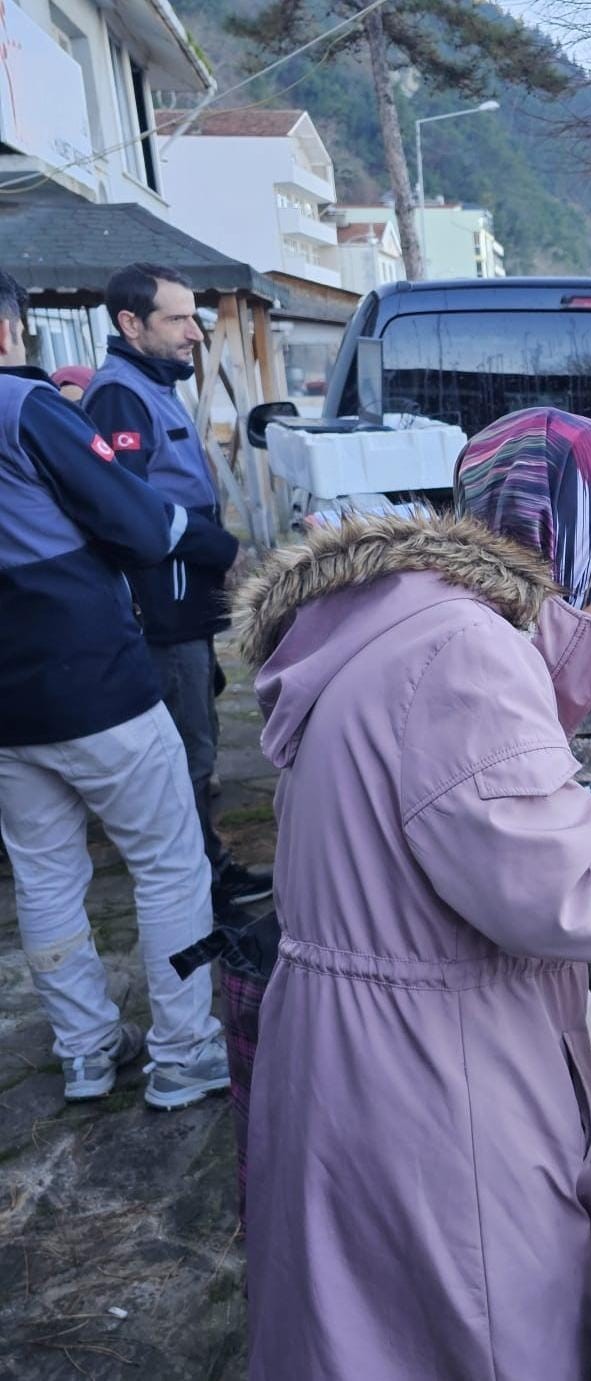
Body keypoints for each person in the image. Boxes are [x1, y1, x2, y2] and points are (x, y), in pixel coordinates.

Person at [235, 407, 591, 1381]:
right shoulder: (464, 653)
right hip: (432, 1084)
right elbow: (575, 892)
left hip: (369, 1055)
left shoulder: (406, 617)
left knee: (375, 1335)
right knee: (495, 1332)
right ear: (576, 541)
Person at [0, 268, 230, 1109]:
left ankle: (87, 1050)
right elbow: (134, 519)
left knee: (47, 876)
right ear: (7, 330)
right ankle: (185, 1050)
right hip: (92, 678)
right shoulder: (26, 407)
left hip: (7, 709)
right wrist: (209, 541)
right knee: (171, 864)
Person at [82, 264, 269, 916]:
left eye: (196, 317)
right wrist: (222, 549)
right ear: (130, 324)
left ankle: (206, 866)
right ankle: (197, 889)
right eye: (178, 318)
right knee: (187, 752)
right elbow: (129, 510)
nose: (195, 331)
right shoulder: (119, 396)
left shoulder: (153, 384)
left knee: (202, 735)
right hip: (159, 612)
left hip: (186, 607)